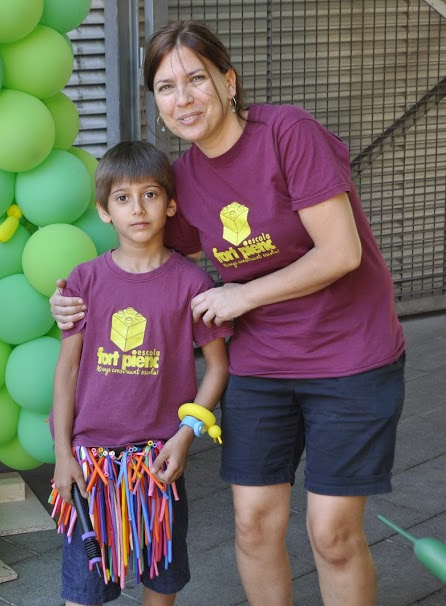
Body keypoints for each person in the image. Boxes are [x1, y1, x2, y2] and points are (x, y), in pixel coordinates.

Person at [51, 21, 406, 606]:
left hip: (350, 355)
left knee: (333, 534)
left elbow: (341, 253)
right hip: (262, 364)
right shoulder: (181, 181)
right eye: (166, 87)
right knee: (253, 524)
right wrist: (73, 298)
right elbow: (153, 263)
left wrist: (240, 295)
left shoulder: (288, 133)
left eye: (196, 79)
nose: (183, 97)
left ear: (228, 81)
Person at [50, 140, 232, 606]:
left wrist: (186, 436)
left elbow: (217, 368)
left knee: (162, 581)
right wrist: (62, 453)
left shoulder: (192, 283)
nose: (138, 208)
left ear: (170, 204)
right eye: (123, 197)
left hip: (158, 461)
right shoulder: (84, 281)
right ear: (104, 210)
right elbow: (67, 371)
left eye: (151, 194)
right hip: (91, 462)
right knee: (83, 590)